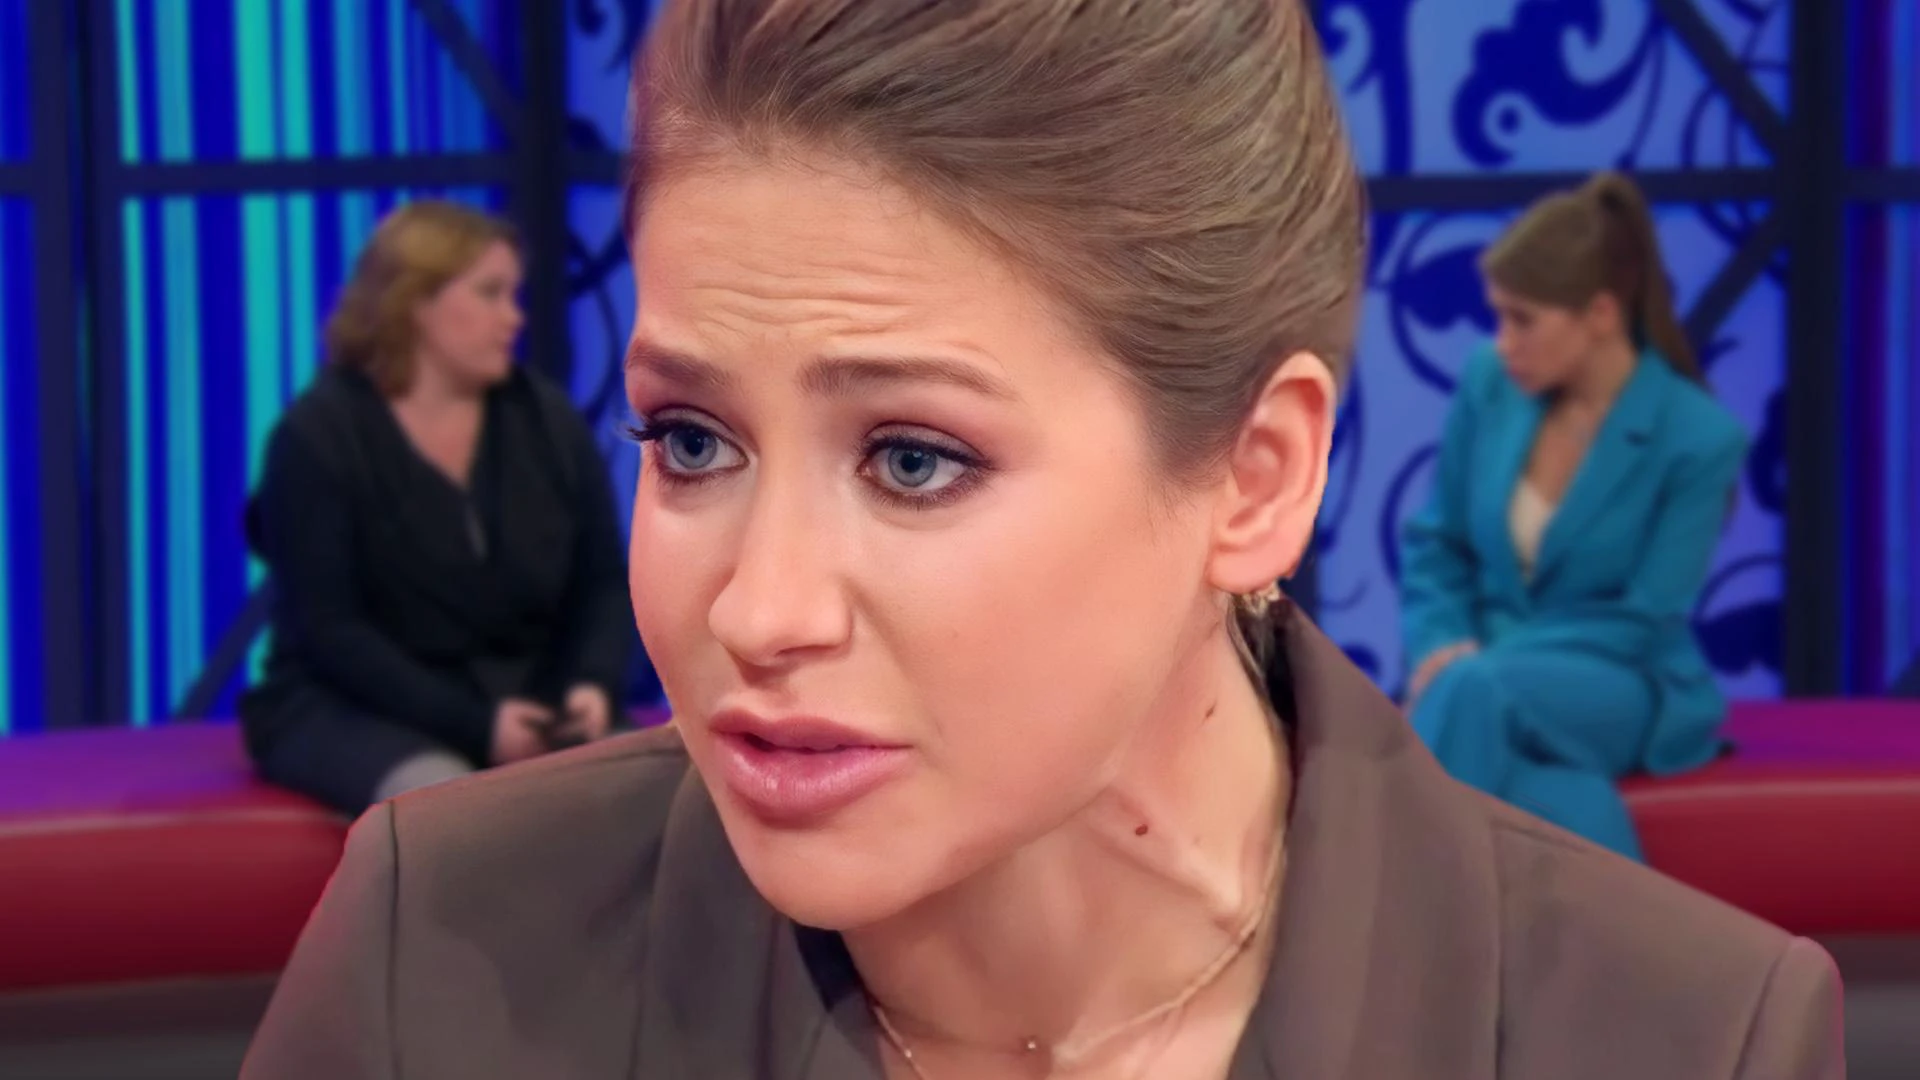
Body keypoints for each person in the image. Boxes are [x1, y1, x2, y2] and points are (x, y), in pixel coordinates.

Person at [242, 5, 1840, 1078]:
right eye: (692, 441)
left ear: (1257, 479)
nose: (760, 609)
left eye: (914, 460)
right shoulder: (428, 963)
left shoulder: (1688, 1038)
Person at [239, 201, 634, 817]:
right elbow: (331, 632)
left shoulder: (547, 421)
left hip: (528, 700)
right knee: (446, 807)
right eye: (490, 293)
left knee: (645, 788)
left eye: (513, 294)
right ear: (414, 303)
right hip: (353, 704)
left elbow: (602, 582)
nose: (514, 317)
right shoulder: (317, 437)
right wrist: (478, 724)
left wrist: (590, 683)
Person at [1398, 172, 1749, 862]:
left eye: (1522, 319)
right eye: (1498, 317)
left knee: (1473, 693)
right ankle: (1627, 926)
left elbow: (1643, 617)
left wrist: (1478, 664)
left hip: (1620, 682)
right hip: (1484, 679)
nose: (1502, 341)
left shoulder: (1699, 438)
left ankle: (1373, 903)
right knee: (1554, 793)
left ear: (1600, 314)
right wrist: (1442, 641)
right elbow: (1437, 545)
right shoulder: (1489, 384)